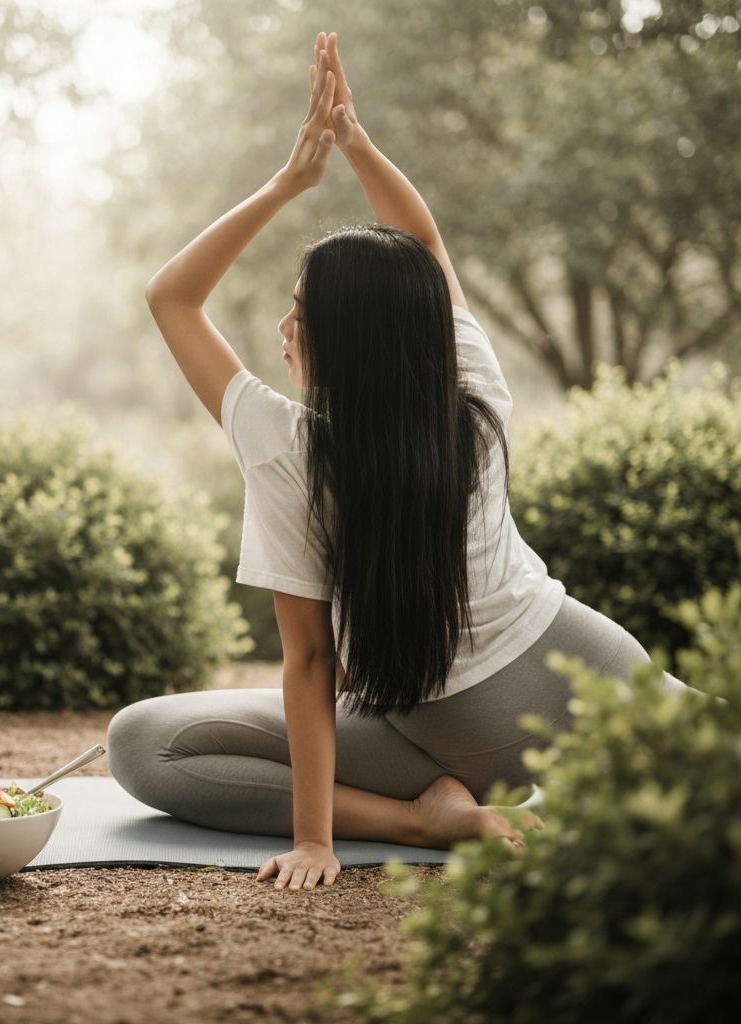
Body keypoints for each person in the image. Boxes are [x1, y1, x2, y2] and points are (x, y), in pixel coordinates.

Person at [105, 30, 689, 893]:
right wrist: (358, 143)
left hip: (452, 726)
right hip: (587, 669)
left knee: (144, 746)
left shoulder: (290, 449)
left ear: (345, 343)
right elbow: (423, 242)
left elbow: (172, 296)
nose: (282, 329)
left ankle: (425, 820)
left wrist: (289, 181)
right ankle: (450, 810)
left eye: (299, 313)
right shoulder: (473, 389)